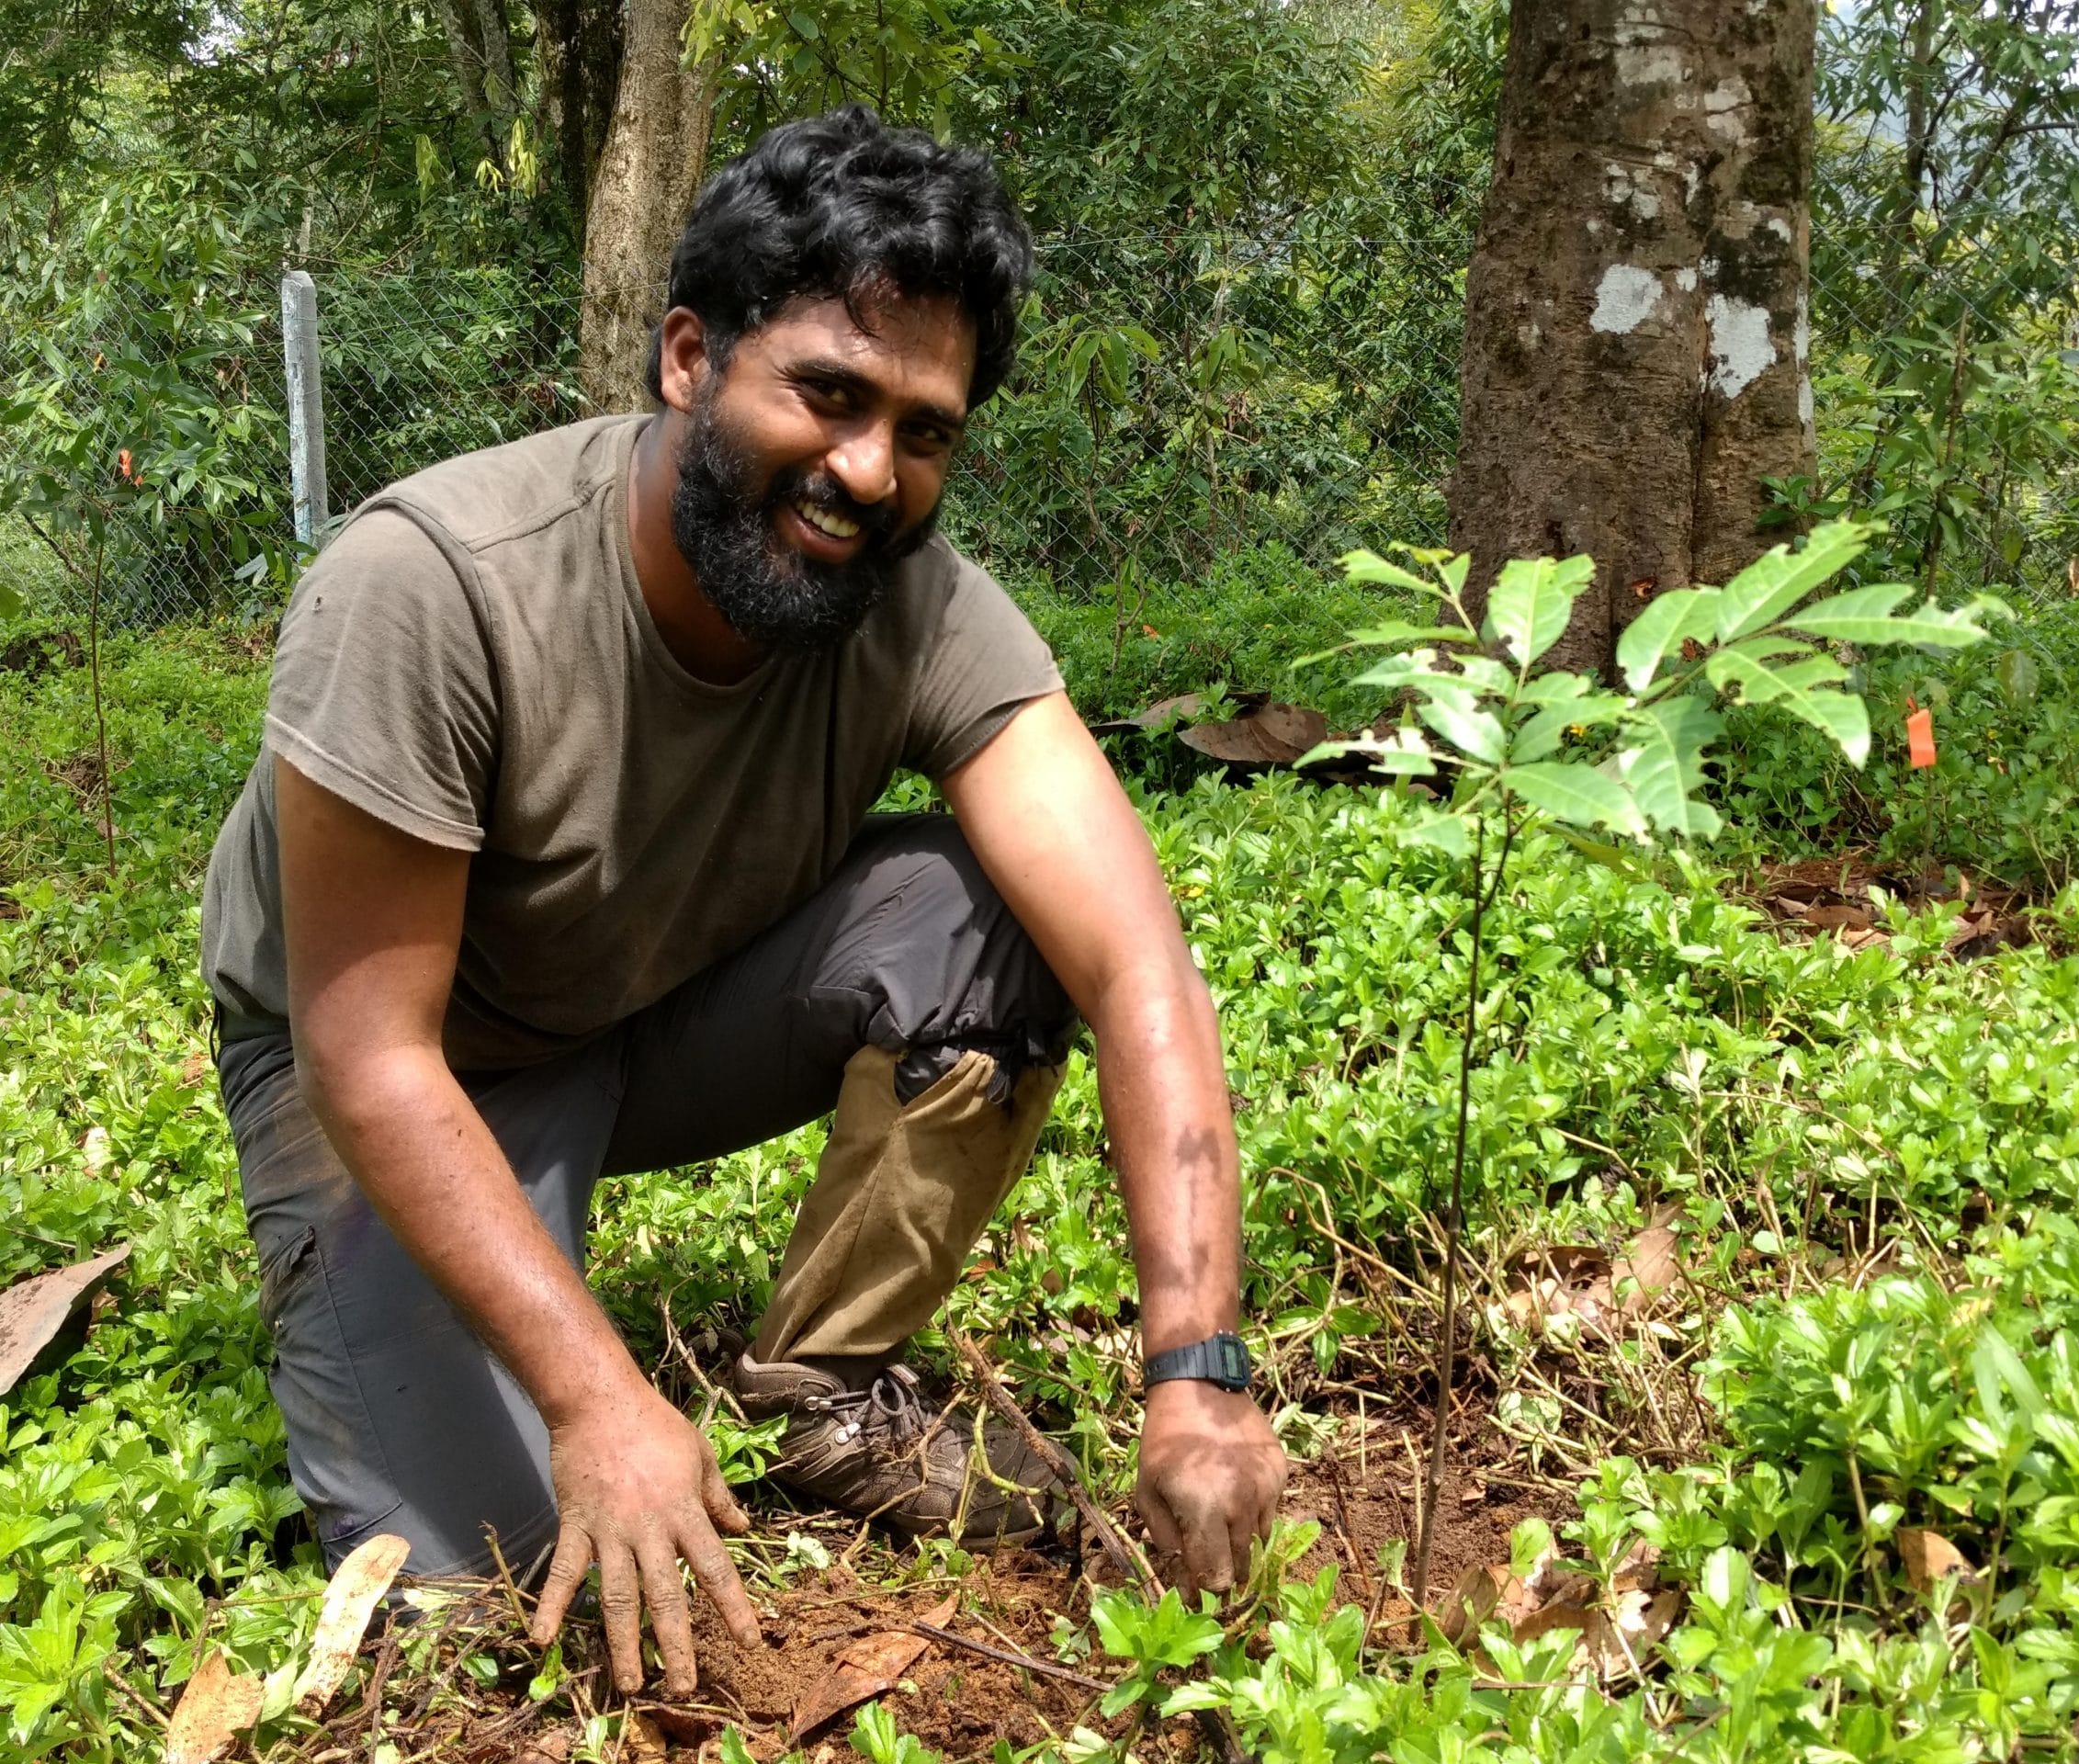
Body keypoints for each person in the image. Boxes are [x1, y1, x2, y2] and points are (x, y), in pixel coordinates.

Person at [198, 104, 1287, 1698]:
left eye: (925, 431)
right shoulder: (432, 583)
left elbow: (1139, 967)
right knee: (493, 1579)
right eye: (829, 394)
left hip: (648, 1006)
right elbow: (369, 1056)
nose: (869, 472)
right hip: (394, 1064)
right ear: (690, 358)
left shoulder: (917, 607)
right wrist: (599, 1399)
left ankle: (823, 1385)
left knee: (1002, 913)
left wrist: (1197, 1371)